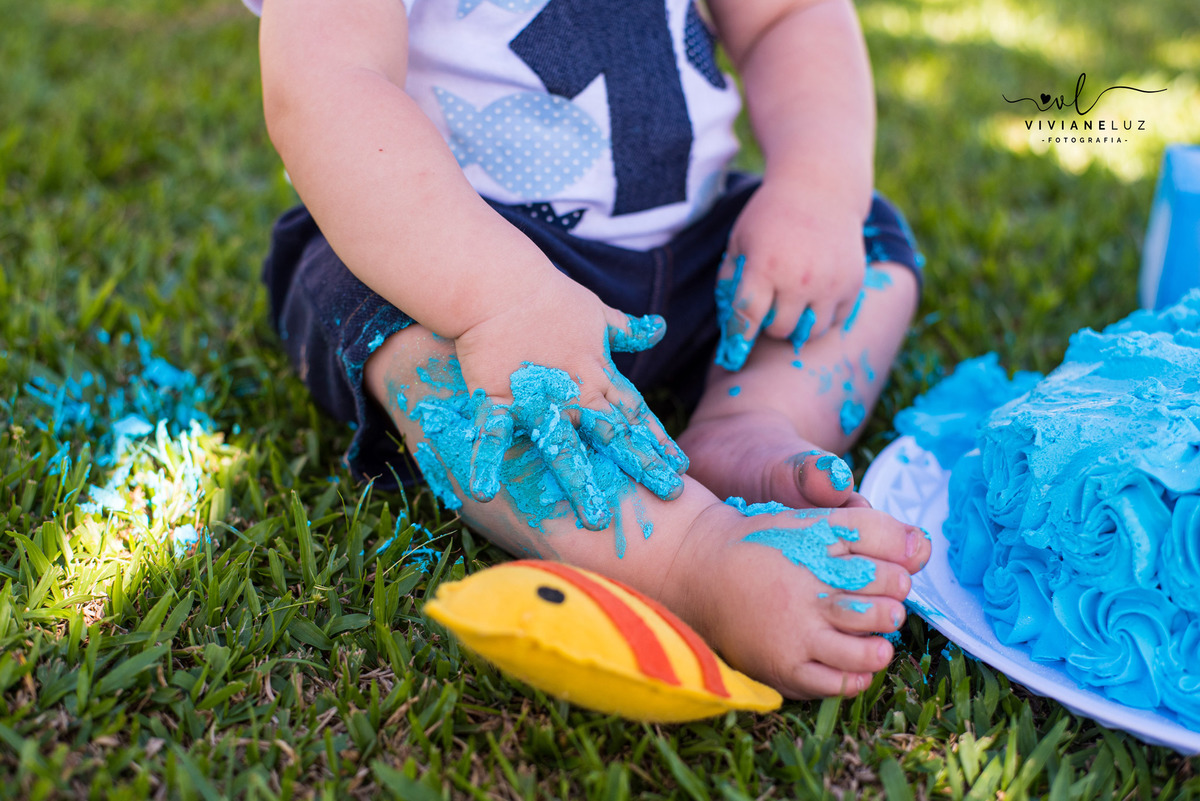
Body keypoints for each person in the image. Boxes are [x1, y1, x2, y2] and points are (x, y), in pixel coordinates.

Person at [249, 0, 931, 699]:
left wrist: (815, 188)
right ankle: (687, 558)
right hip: (457, 268)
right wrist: (500, 297)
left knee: (865, 240)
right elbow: (330, 84)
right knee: (412, 337)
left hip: (695, 263)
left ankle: (748, 417)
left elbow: (789, 17)